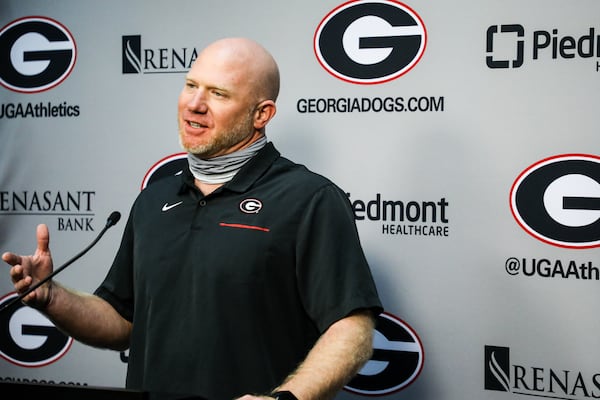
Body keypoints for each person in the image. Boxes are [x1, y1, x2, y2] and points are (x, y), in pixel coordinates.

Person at [2, 37, 383, 400]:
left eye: (218, 94)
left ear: (261, 114)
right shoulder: (154, 199)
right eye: (190, 86)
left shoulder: (310, 198)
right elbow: (122, 321)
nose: (194, 104)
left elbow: (352, 327)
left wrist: (285, 398)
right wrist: (52, 296)